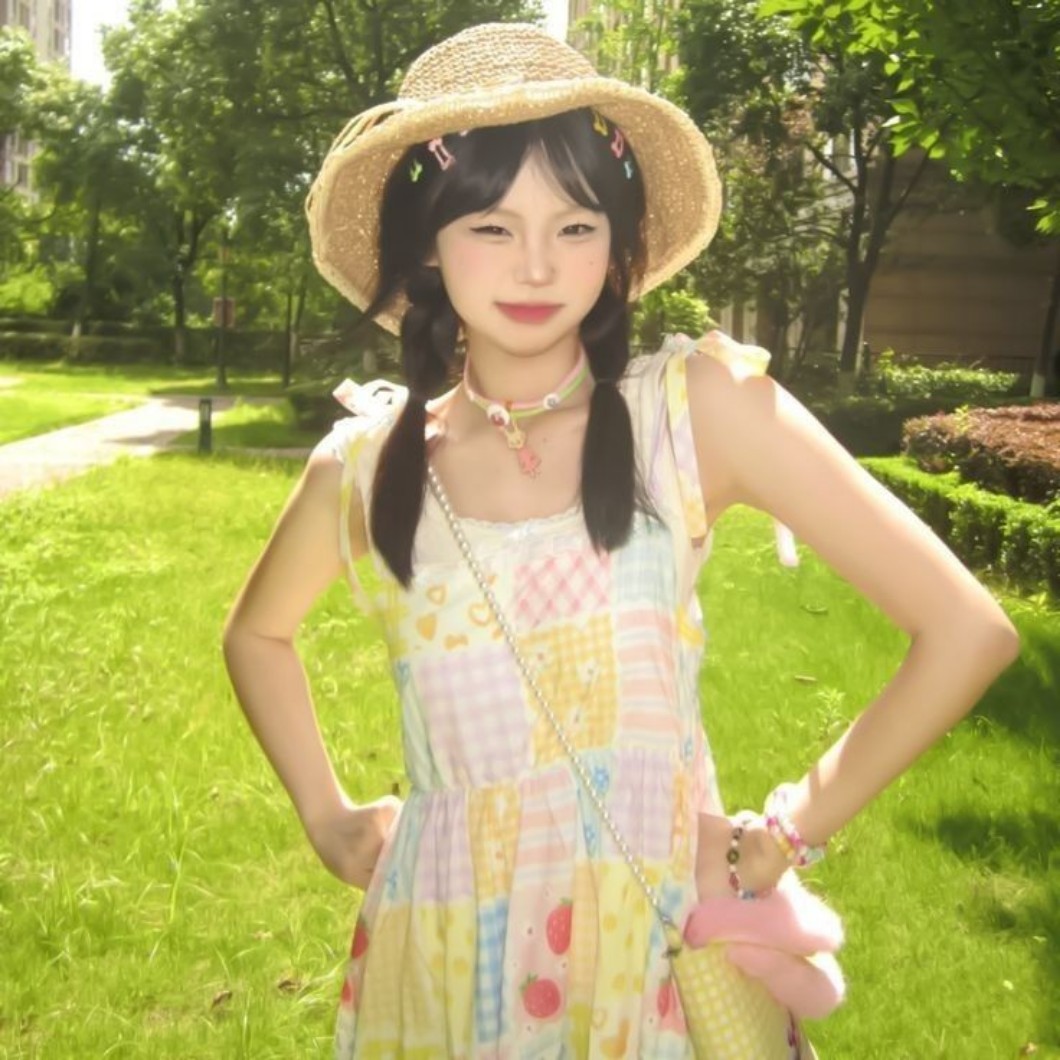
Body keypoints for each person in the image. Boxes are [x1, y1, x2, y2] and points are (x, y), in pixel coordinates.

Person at [221, 22, 1020, 1059]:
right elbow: (256, 636)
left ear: (619, 243)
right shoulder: (363, 464)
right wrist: (325, 815)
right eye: (491, 225)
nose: (537, 264)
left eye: (576, 224)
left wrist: (786, 830)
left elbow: (967, 629)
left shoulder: (694, 412)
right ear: (427, 243)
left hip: (651, 957)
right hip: (443, 963)